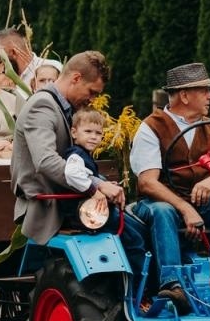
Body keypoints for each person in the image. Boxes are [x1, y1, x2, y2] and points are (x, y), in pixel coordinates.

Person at [10, 51, 149, 278]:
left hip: (72, 199)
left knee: (140, 226)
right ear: (75, 78)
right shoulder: (42, 106)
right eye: (91, 92)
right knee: (133, 236)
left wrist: (102, 183)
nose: (92, 100)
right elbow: (46, 161)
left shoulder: (64, 108)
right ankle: (140, 295)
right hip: (49, 204)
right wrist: (97, 186)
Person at [129, 62, 210, 301]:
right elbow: (147, 183)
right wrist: (186, 208)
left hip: (201, 201)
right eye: (204, 90)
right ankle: (172, 284)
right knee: (162, 211)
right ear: (184, 95)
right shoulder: (151, 128)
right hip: (159, 203)